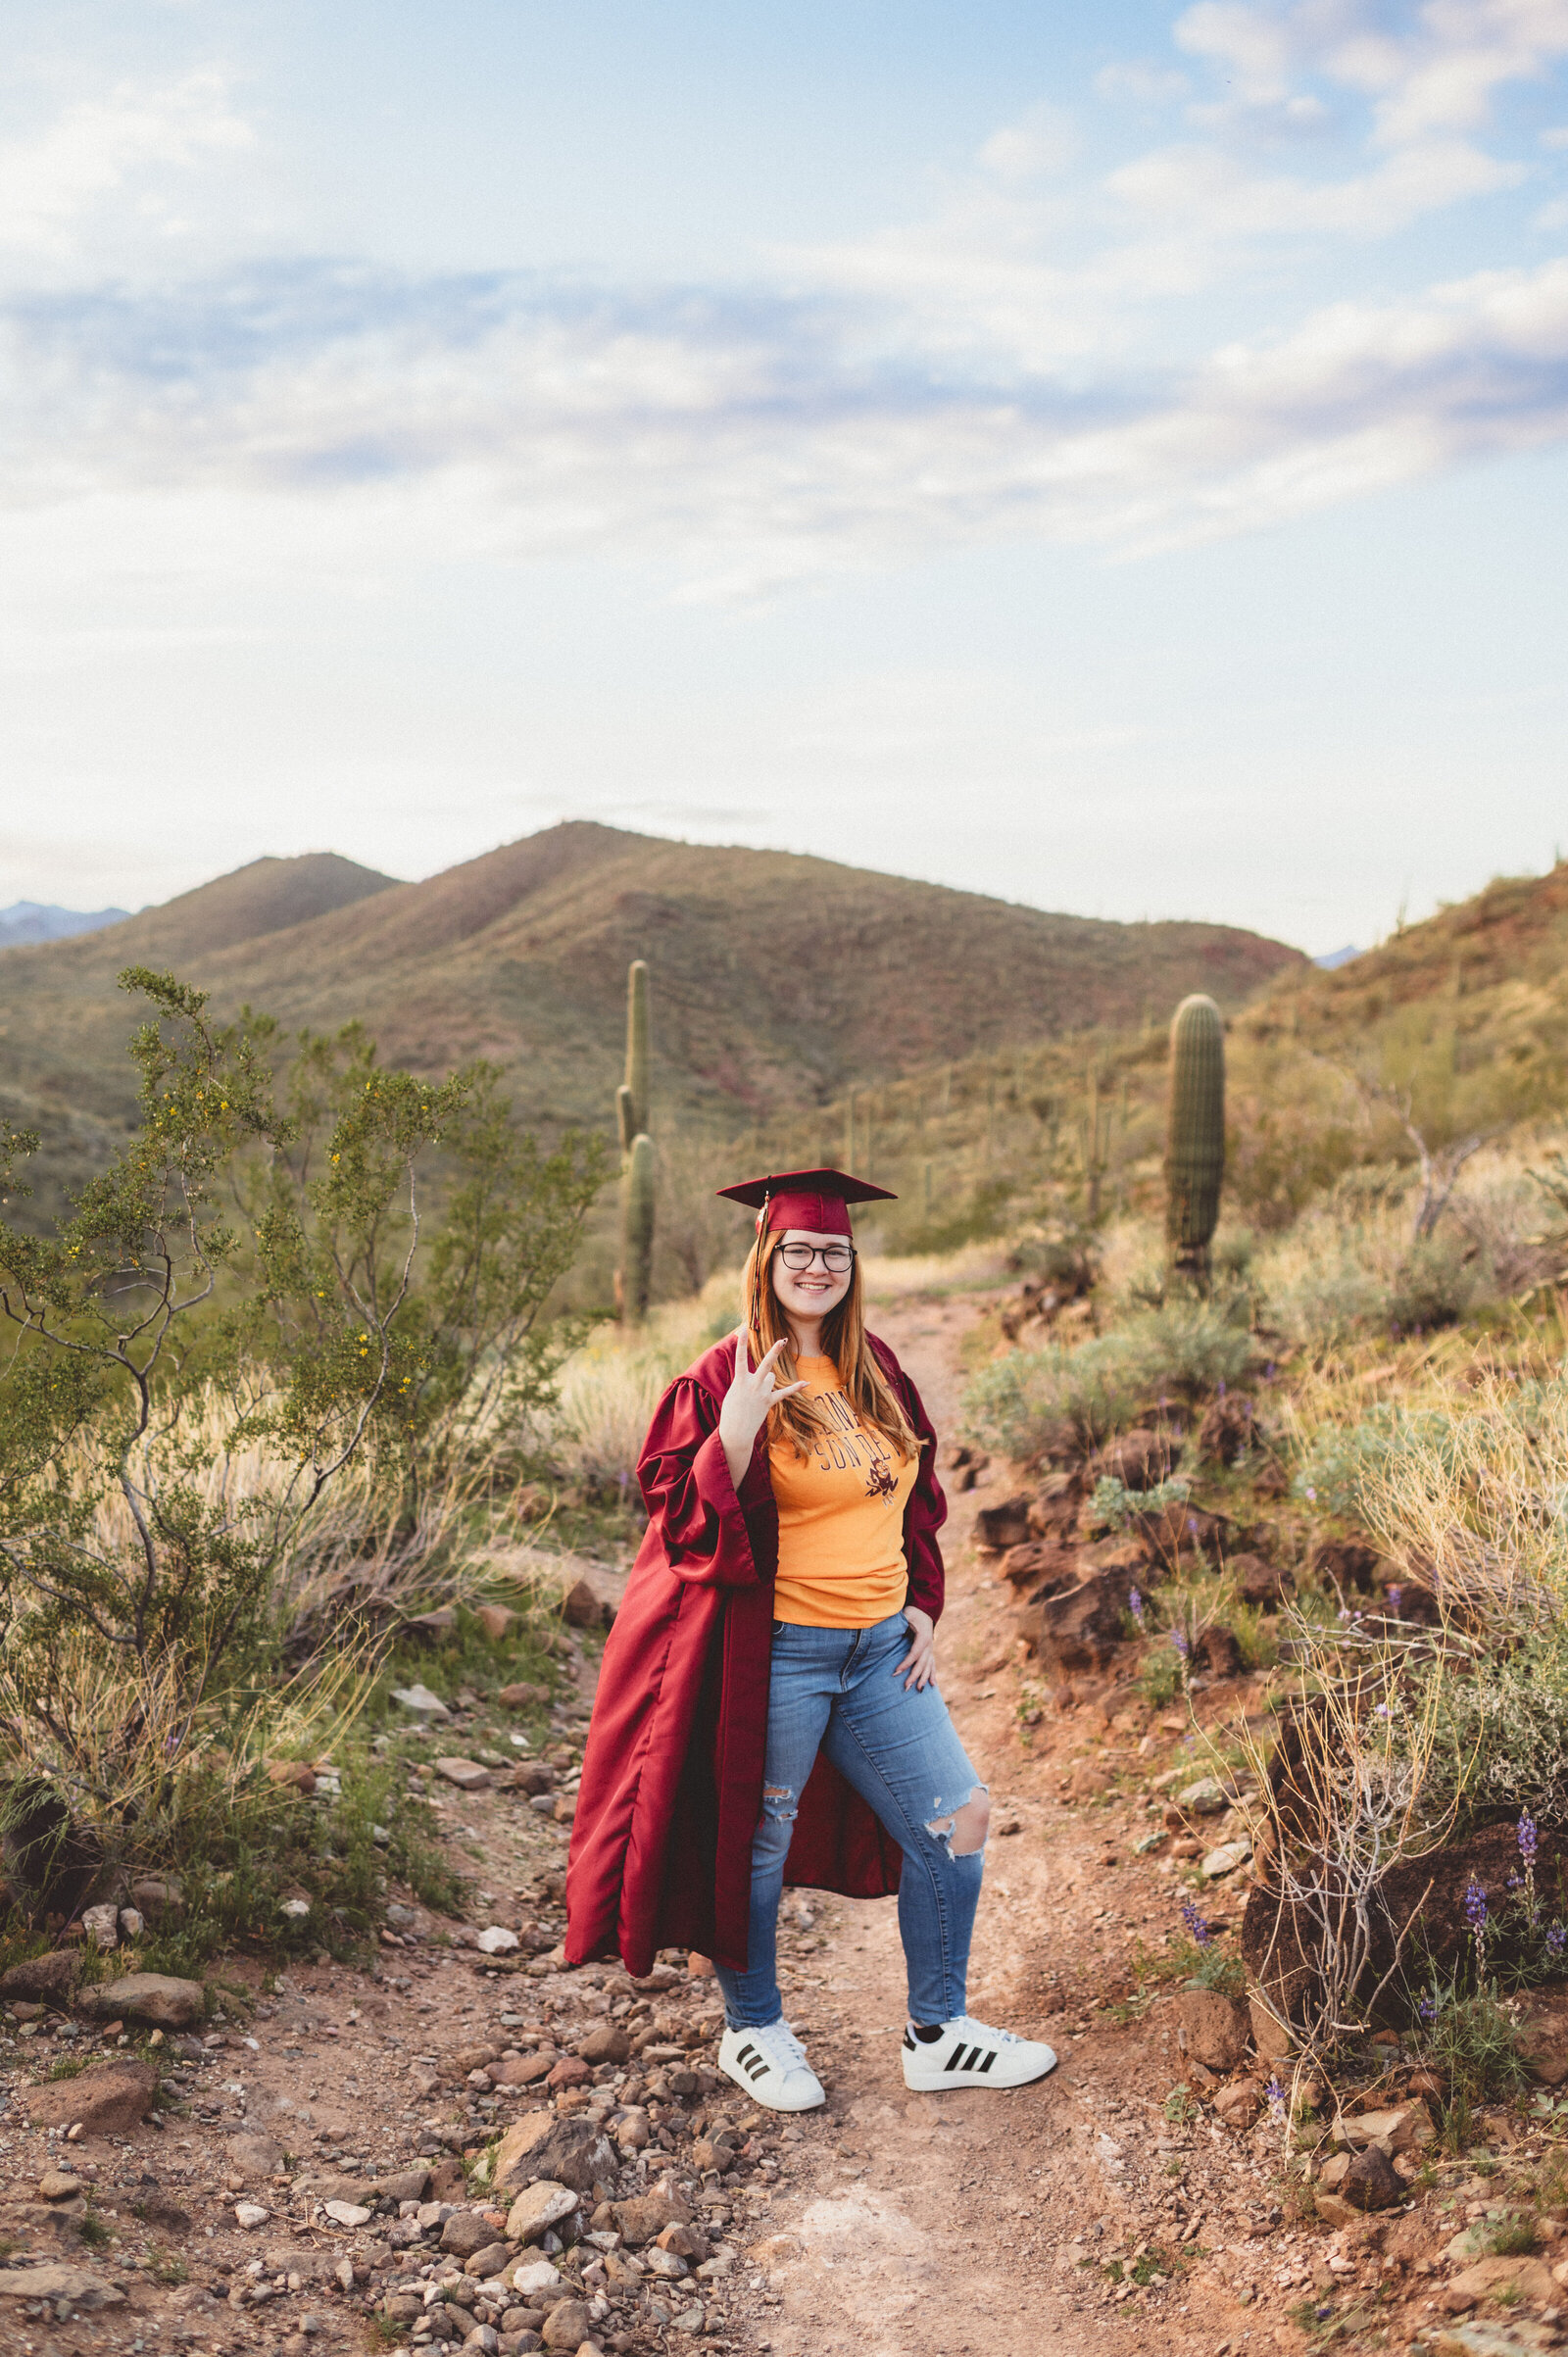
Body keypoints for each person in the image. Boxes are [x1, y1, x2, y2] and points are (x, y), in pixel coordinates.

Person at [566, 1168, 1056, 2112]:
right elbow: (679, 1517)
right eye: (799, 1249)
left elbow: (912, 1489)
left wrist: (923, 1599)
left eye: (833, 1250)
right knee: (756, 1843)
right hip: (779, 1654)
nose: (817, 1264)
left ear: (851, 1262)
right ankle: (752, 2029)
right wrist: (737, 1437)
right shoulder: (720, 1378)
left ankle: (938, 2030)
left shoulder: (872, 1365)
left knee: (958, 1821)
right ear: (767, 1258)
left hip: (879, 1652)